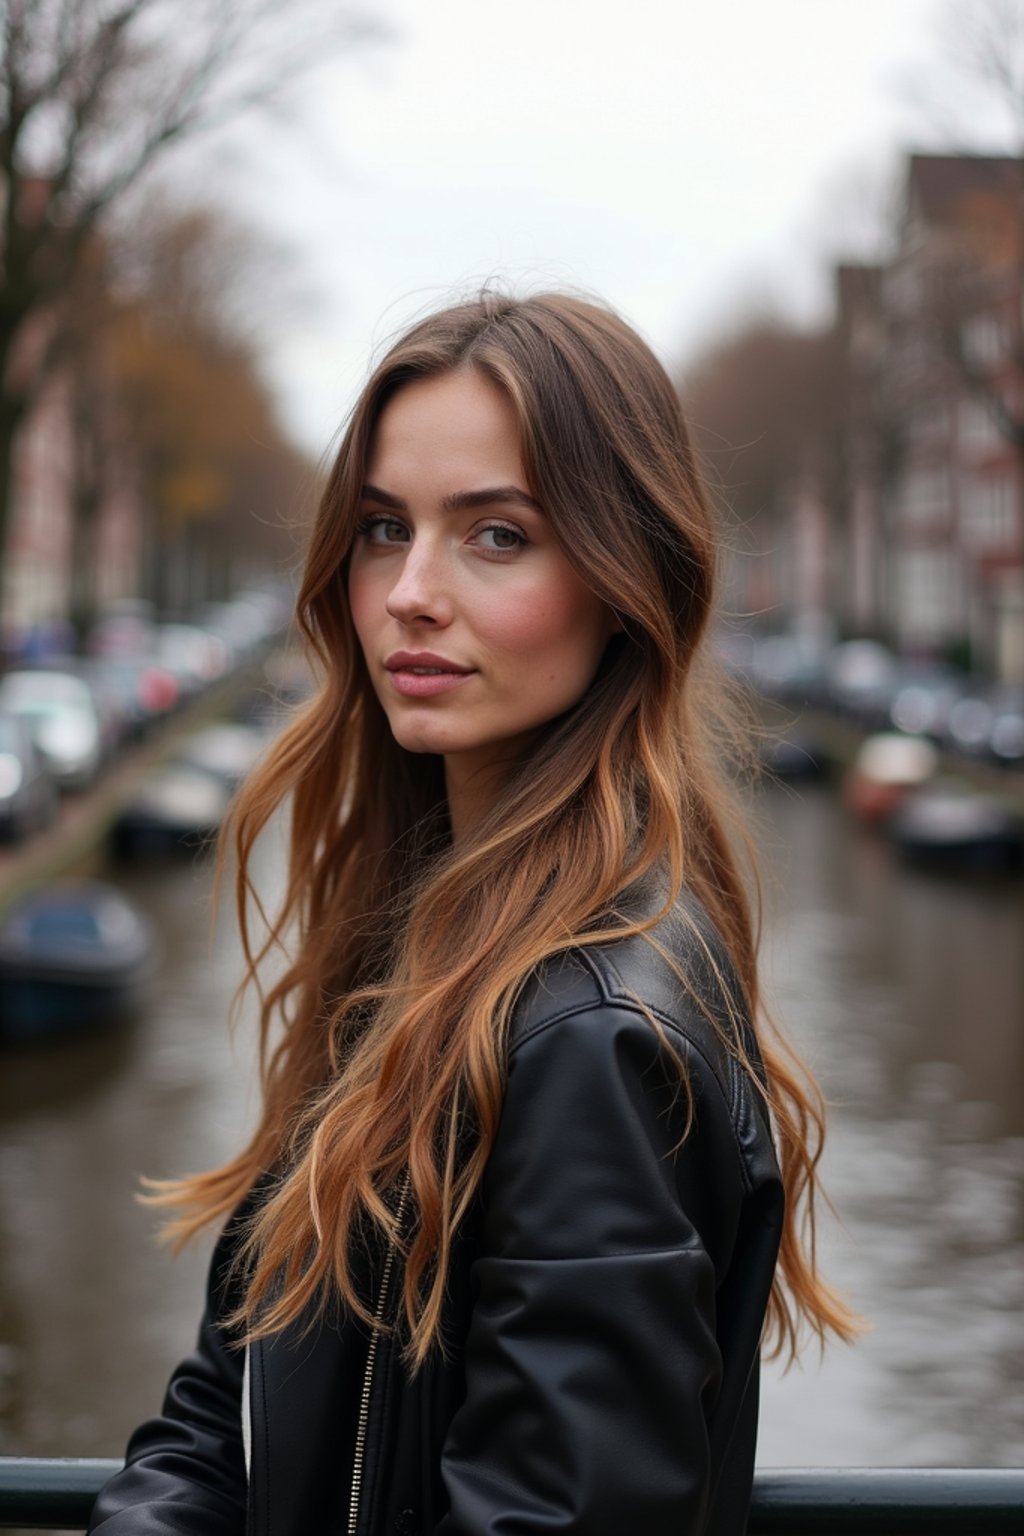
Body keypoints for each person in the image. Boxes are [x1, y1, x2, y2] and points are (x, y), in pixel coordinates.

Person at [88, 291, 854, 1536]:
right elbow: (225, 1399)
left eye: (496, 536)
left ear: (626, 582)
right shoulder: (414, 941)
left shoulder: (595, 1035)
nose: (408, 592)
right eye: (384, 528)